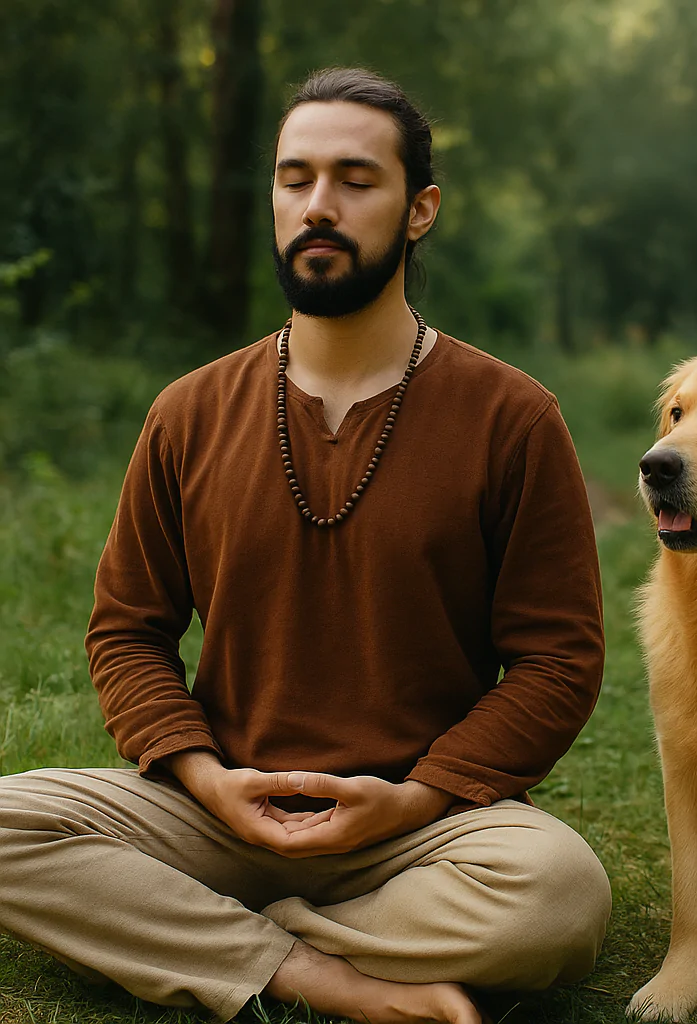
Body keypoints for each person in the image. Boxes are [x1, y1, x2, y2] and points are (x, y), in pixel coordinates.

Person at [0, 68, 610, 1024]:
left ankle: (191, 933)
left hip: (420, 829)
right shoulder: (189, 412)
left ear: (420, 209)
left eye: (355, 180)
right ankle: (315, 971)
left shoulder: (512, 418)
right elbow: (127, 630)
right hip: (217, 809)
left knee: (560, 896)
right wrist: (207, 778)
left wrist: (417, 798)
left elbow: (557, 659)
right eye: (295, 179)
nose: (319, 205)